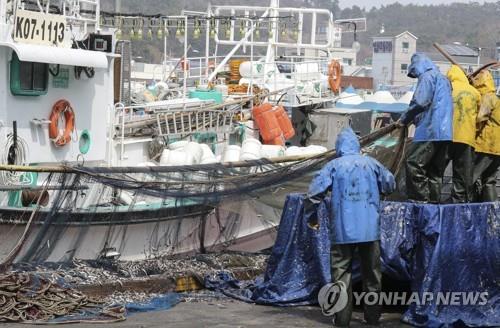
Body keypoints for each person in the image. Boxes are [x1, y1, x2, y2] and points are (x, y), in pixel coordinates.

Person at [307, 127, 396, 327]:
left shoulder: (333, 166)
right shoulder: (372, 164)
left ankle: (342, 320)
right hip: (369, 230)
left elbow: (313, 195)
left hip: (342, 231)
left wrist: (312, 218)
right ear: (357, 146)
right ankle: (373, 318)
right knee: (372, 275)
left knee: (341, 277)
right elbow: (390, 184)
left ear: (339, 147)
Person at [400, 53, 454, 203]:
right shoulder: (444, 79)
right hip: (445, 134)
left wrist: (404, 119)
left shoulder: (427, 77)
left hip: (429, 130)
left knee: (413, 163)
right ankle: (434, 207)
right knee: (435, 173)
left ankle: (421, 202)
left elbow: (420, 102)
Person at [445, 65, 481, 202]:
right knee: (463, 176)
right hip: (467, 138)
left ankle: (433, 203)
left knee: (437, 172)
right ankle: (460, 205)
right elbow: (479, 116)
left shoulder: (447, 89)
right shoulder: (474, 92)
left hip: (447, 137)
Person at [471, 69, 500, 201]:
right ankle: (491, 211)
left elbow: (481, 118)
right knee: (489, 179)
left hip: (486, 144)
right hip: (497, 147)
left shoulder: (488, 97)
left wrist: (472, 133)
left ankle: (467, 206)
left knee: (471, 176)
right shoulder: (497, 99)